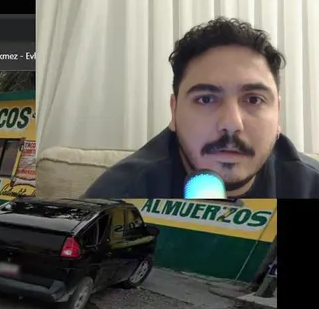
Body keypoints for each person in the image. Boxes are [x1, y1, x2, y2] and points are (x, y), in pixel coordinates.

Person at [83, 17, 319, 199]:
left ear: (278, 114)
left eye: (254, 100)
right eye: (206, 99)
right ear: (174, 112)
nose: (231, 123)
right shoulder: (121, 198)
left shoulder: (311, 188)